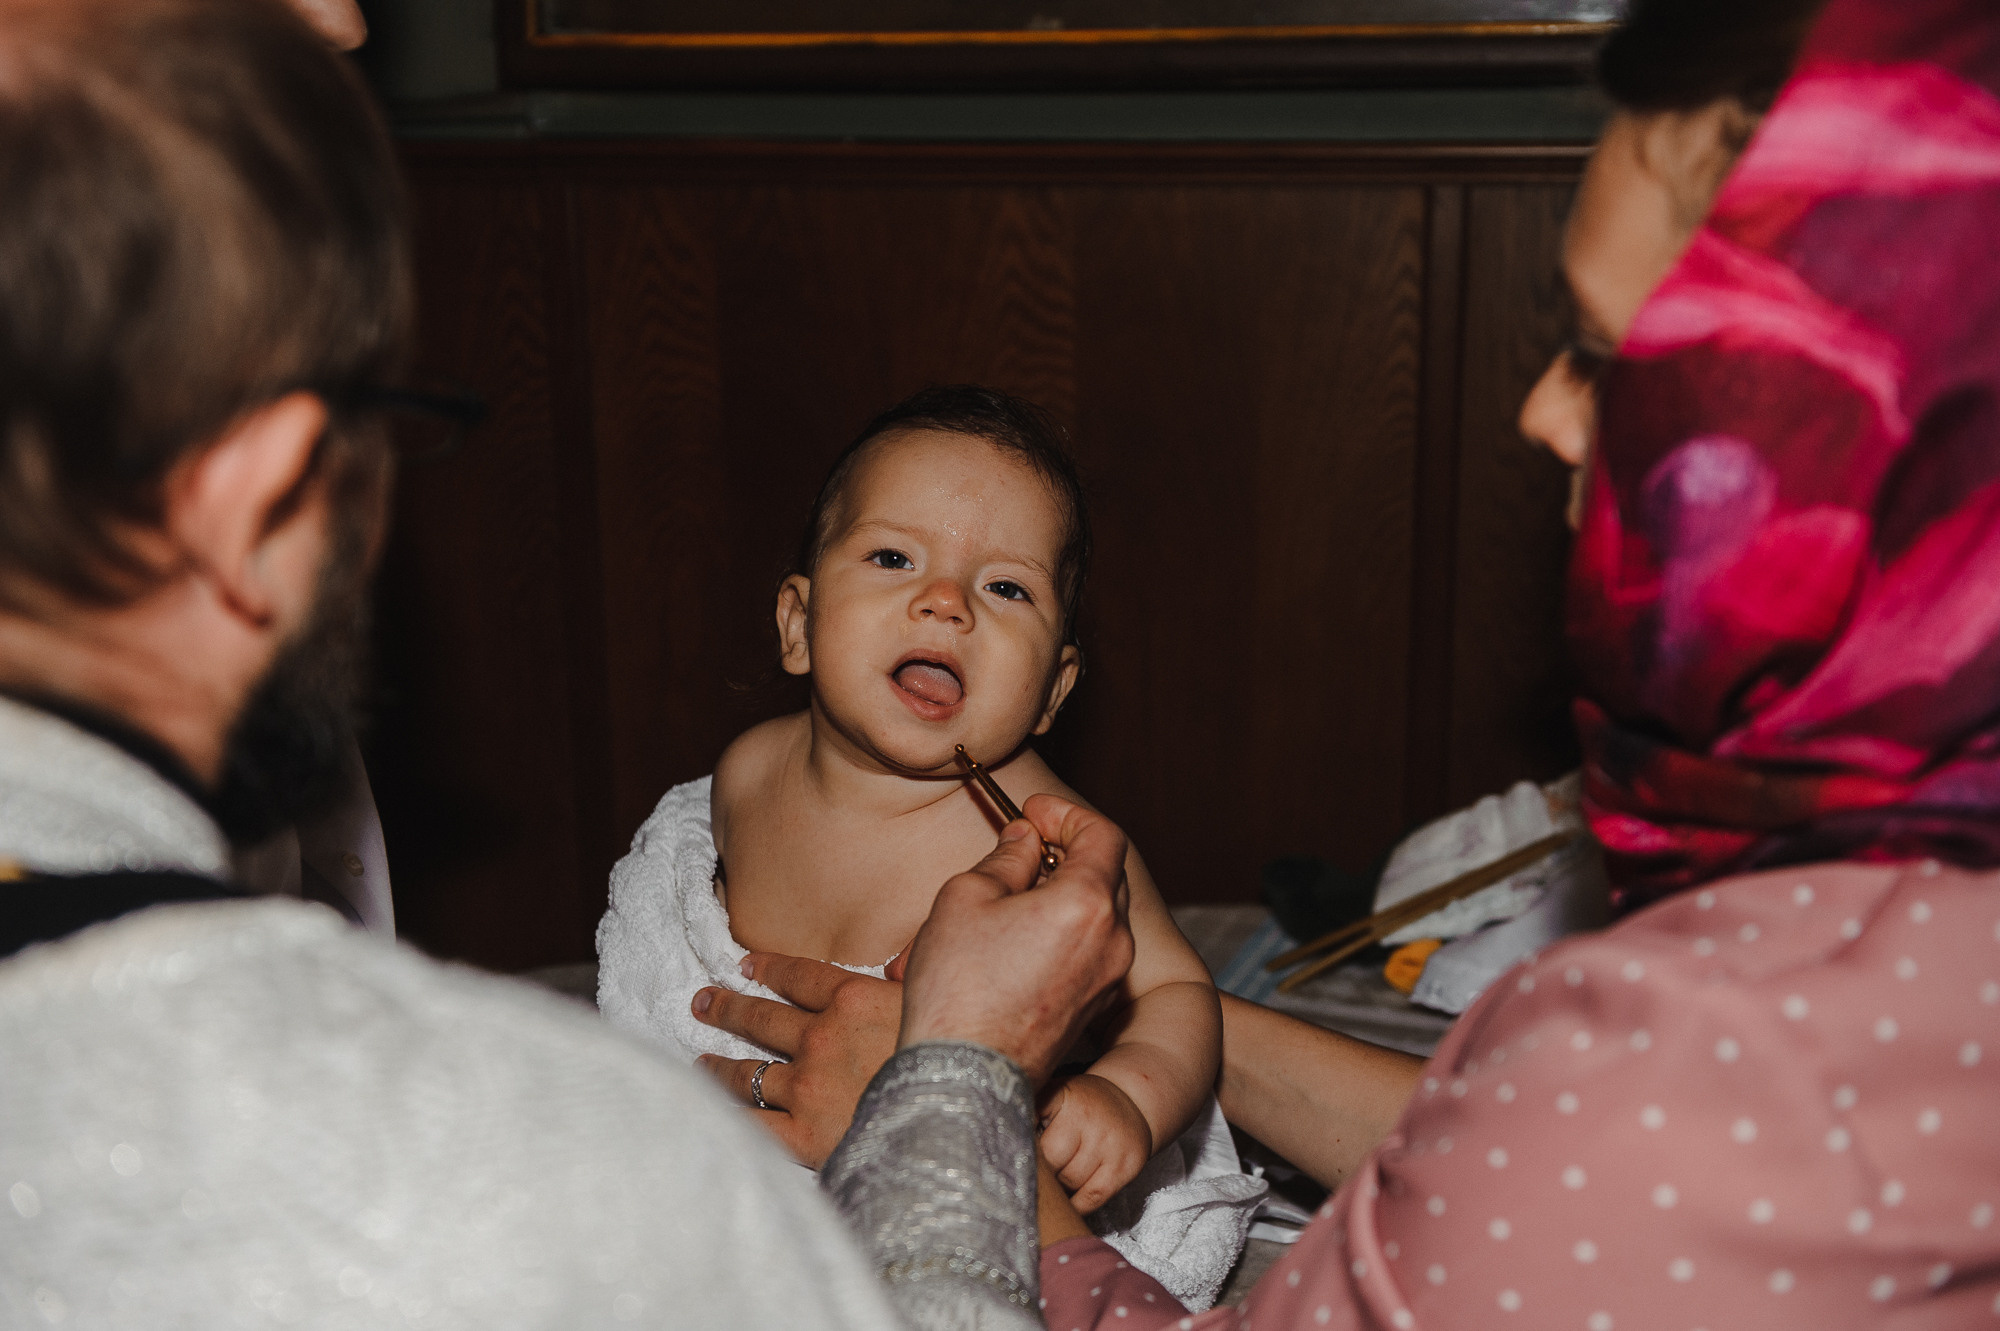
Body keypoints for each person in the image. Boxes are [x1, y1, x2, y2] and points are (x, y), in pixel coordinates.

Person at [694, 0, 2000, 1324]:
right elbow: (1535, 1163)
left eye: (1611, 362)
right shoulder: (1886, 950)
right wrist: (1149, 1023)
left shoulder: (1731, 1065)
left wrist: (942, 1101)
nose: (1541, 412)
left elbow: (1611, 1146)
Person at [0, 3, 1134, 1327]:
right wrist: (957, 1078)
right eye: (376, 436)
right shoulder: (565, 1176)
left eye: (1004, 588)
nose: (347, 16)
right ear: (259, 500)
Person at [596, 386, 1258, 1306]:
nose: (945, 602)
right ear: (799, 622)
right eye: (894, 556)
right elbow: (687, 951)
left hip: (954, 1174)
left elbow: (1180, 991)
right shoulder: (744, 774)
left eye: (1006, 587)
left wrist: (1130, 1100)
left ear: (1054, 689)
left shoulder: (1045, 841)